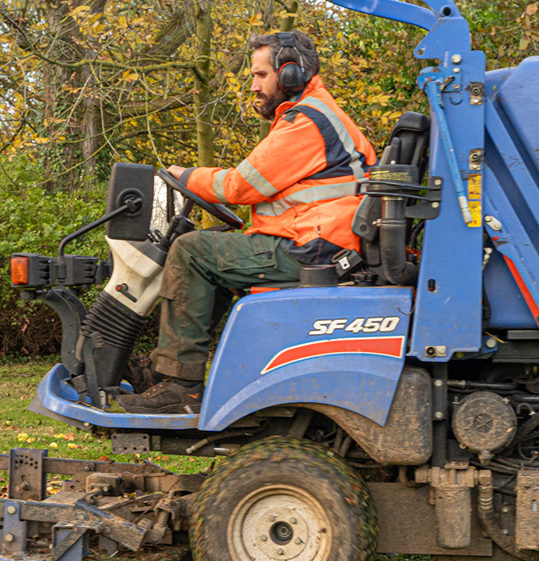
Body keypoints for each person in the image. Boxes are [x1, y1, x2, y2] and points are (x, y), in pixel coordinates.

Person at [116, 31, 377, 414]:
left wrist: (184, 176)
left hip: (313, 249)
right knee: (215, 259)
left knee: (191, 251)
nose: (253, 86)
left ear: (290, 73)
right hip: (320, 243)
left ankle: (181, 387)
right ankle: (162, 370)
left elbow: (241, 185)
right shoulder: (316, 114)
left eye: (260, 75)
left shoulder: (307, 120)